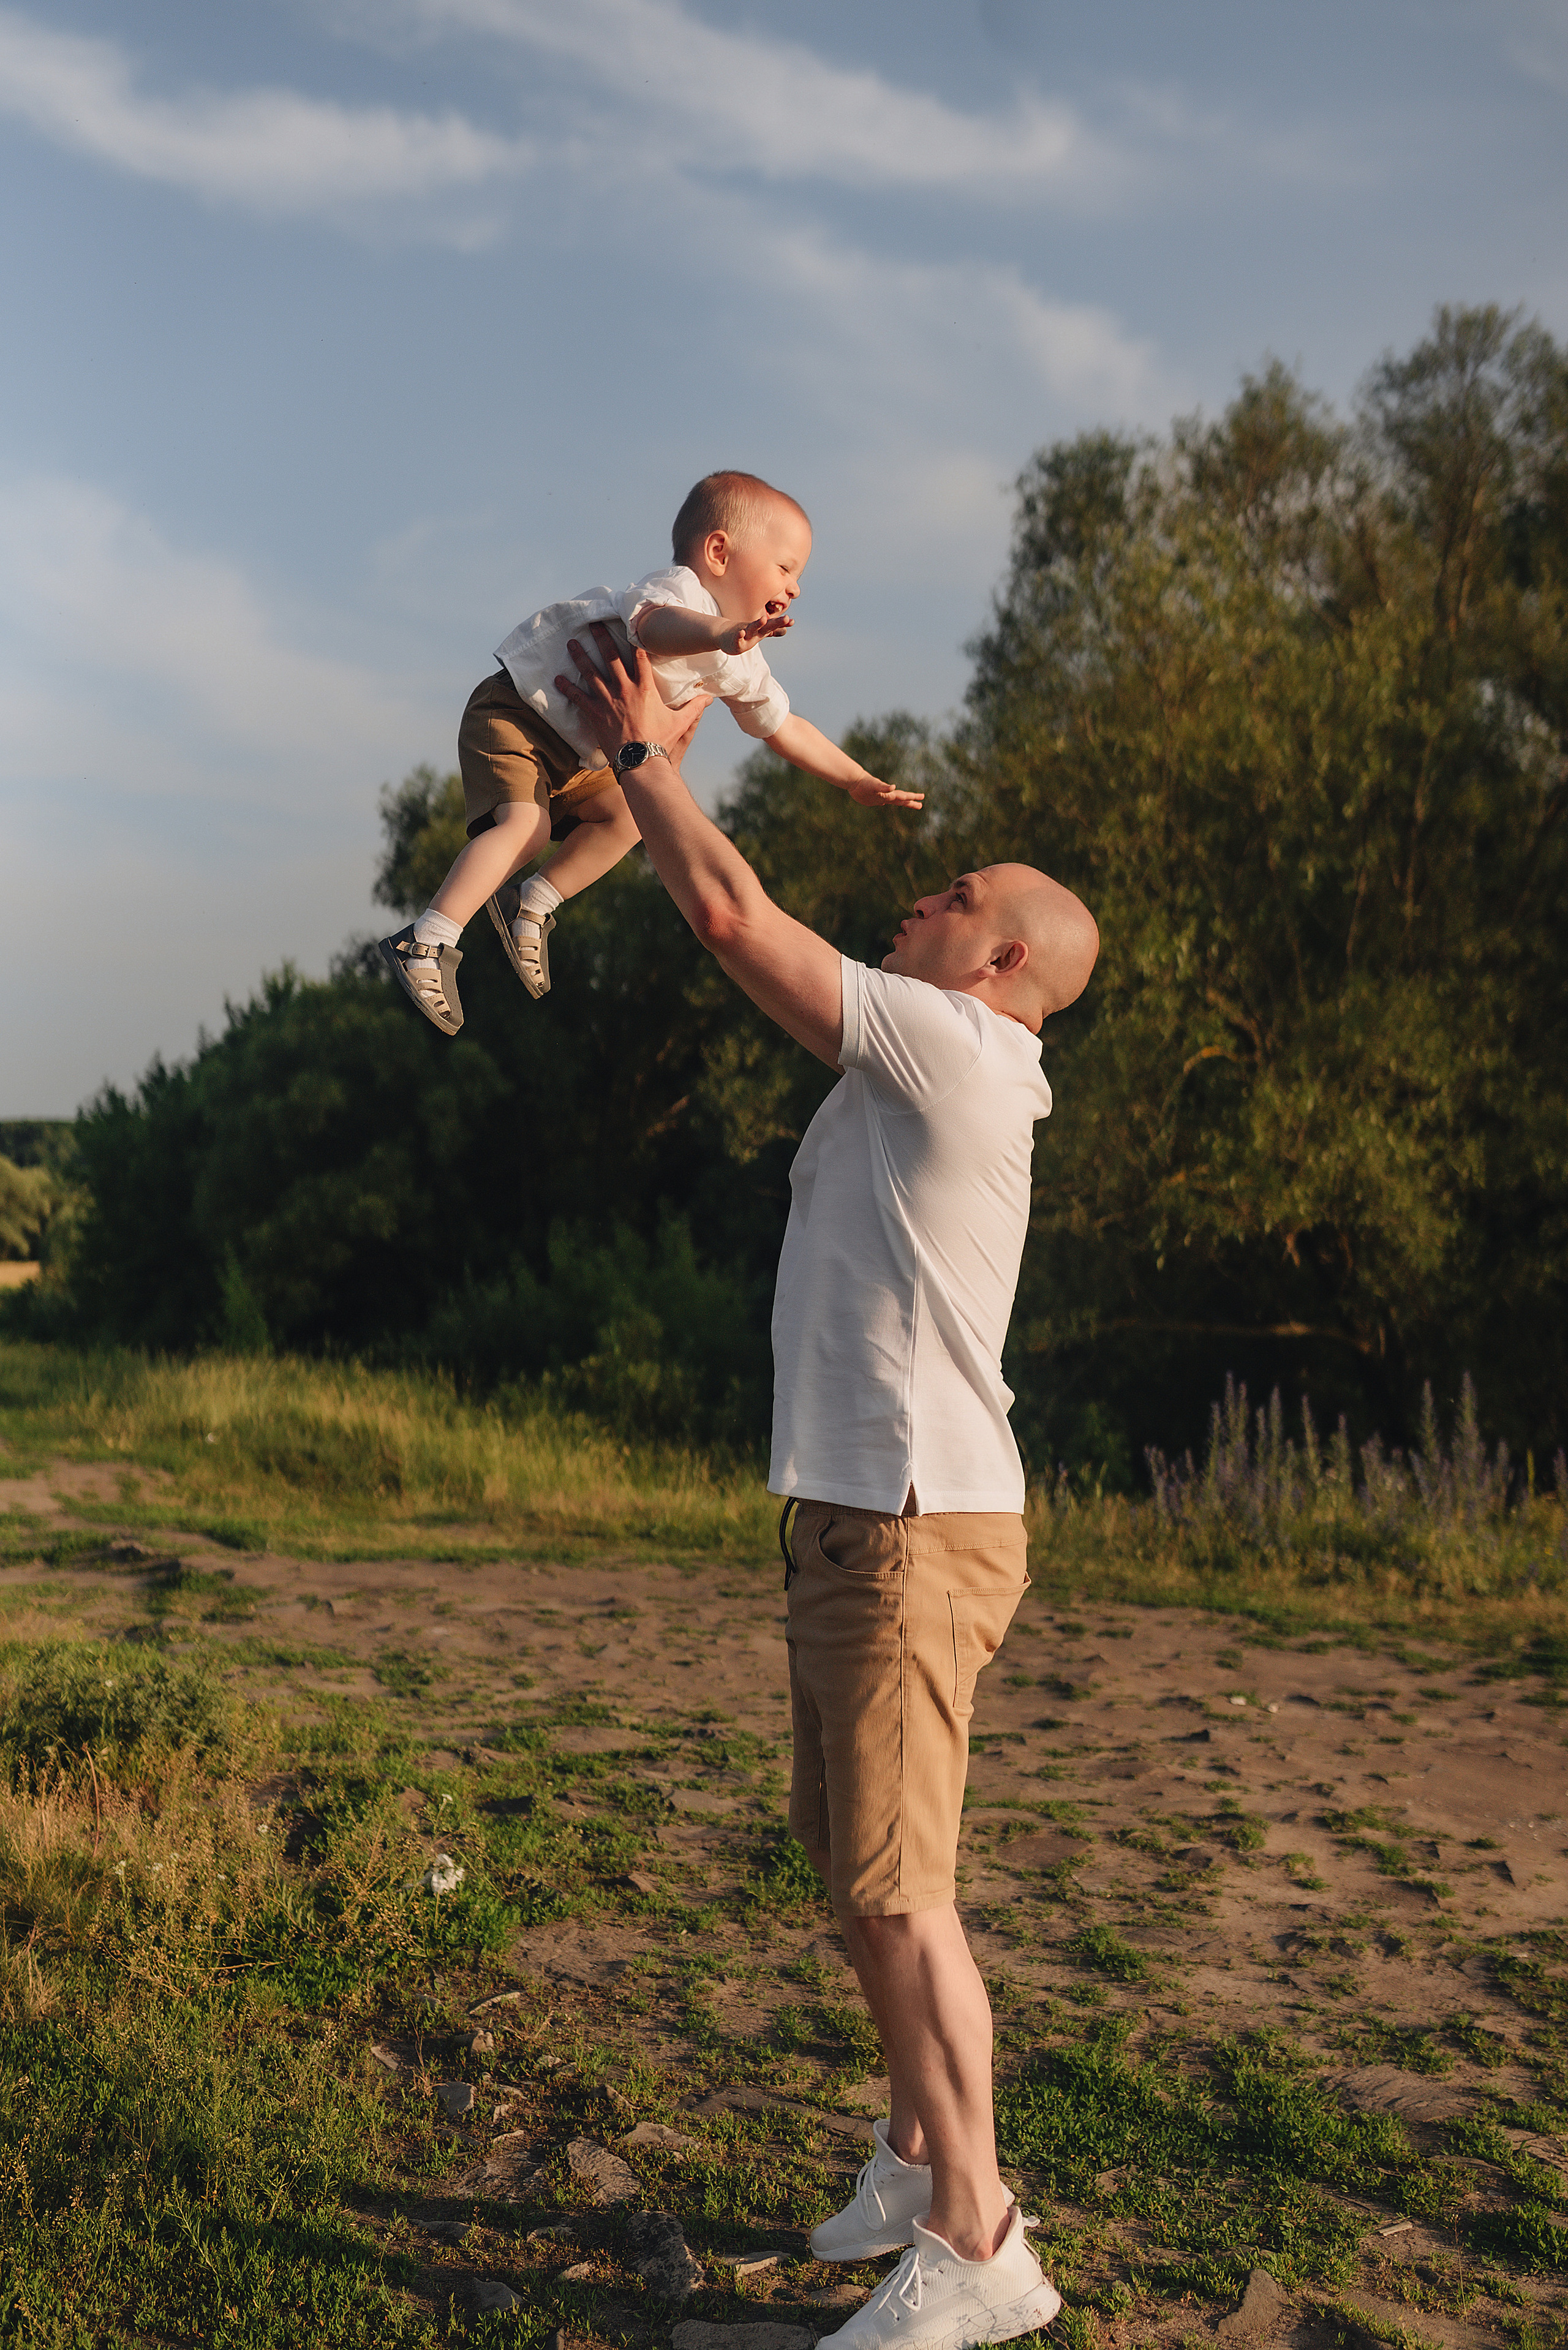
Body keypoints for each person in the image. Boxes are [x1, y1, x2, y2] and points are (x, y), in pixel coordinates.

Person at [554, 622, 1099, 2350]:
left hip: (913, 1526)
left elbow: (732, 918)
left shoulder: (955, 1047)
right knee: (858, 1866)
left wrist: (641, 754)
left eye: (954, 892)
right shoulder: (921, 1056)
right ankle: (918, 2153)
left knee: (901, 1890)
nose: (921, 895)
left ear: (997, 958)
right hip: (866, 1517)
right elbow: (734, 917)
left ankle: (980, 2239)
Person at [377, 470, 922, 1036]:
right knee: (527, 828)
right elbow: (653, 628)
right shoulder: (679, 591)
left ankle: (531, 900)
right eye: (786, 568)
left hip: (579, 758)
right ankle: (427, 938)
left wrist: (854, 779)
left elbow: (784, 727)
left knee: (632, 816)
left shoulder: (742, 661)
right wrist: (720, 632)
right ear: (718, 553)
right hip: (519, 713)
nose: (796, 587)